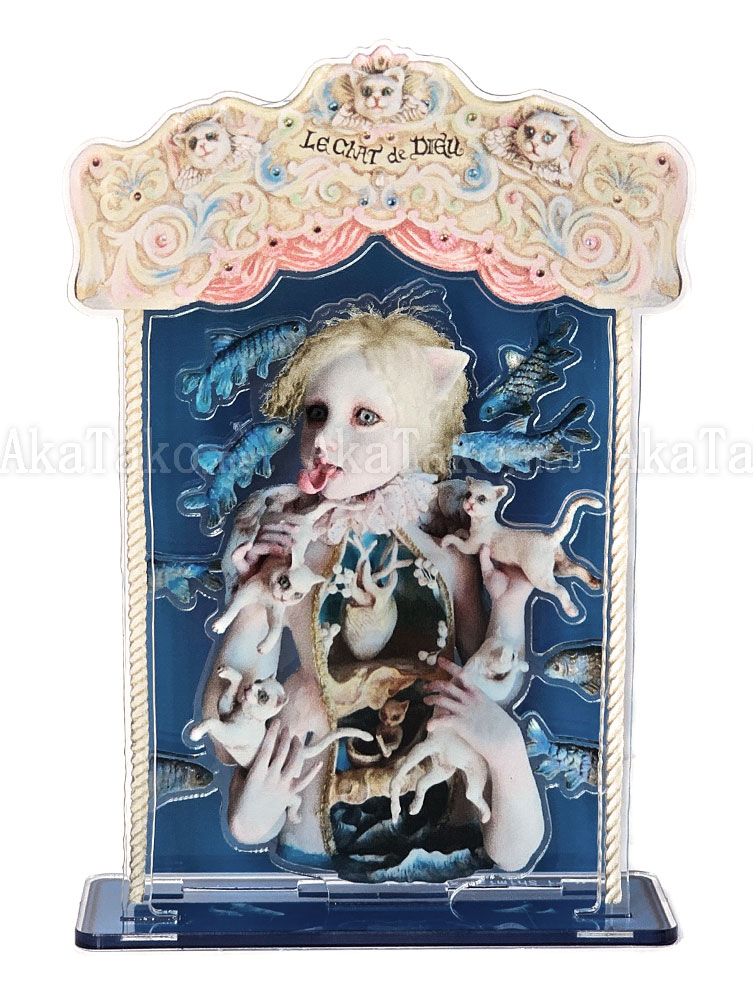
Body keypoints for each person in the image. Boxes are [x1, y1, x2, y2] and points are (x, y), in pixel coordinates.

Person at [195, 309, 545, 880]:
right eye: (317, 413)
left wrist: (509, 607)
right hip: (318, 804)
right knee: (287, 737)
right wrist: (258, 592)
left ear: (415, 424)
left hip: (442, 801)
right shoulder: (293, 545)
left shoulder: (445, 544)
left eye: (365, 417)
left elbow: (488, 675)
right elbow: (231, 709)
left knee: (501, 802)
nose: (324, 440)